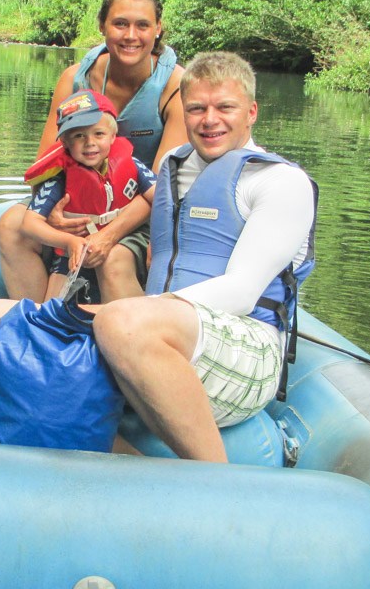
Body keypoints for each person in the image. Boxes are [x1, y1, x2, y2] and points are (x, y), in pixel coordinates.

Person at [90, 51, 316, 462]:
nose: (209, 119)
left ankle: (213, 480)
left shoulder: (280, 182)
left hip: (248, 344)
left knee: (118, 319)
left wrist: (126, 314)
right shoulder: (172, 169)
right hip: (158, 331)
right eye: (196, 108)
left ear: (251, 112)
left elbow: (243, 292)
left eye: (224, 107)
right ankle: (132, 467)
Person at [0, 0, 187, 302]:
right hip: (78, 204)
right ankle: (34, 322)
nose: (131, 35)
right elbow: (46, 163)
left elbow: (161, 189)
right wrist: (55, 215)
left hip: (138, 214)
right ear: (102, 26)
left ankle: (121, 330)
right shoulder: (74, 79)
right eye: (120, 24)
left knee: (113, 255)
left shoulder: (175, 85)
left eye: (142, 25)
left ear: (157, 29)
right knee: (12, 225)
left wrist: (108, 234)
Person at [22, 89, 157, 302]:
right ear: (65, 143)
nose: (89, 142)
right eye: (79, 136)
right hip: (72, 253)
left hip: (122, 241)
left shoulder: (132, 165)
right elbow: (29, 224)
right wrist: (68, 242)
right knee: (52, 308)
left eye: (98, 134)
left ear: (113, 136)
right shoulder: (60, 178)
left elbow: (160, 198)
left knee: (115, 265)